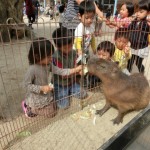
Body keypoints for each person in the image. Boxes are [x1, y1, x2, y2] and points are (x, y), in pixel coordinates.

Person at [52, 27, 87, 109]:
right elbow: (63, 75)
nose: (68, 49)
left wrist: (80, 71)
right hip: (61, 84)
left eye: (70, 46)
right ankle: (57, 91)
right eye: (65, 48)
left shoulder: (74, 52)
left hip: (72, 82)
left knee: (83, 94)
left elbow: (76, 64)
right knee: (63, 106)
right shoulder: (56, 57)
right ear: (57, 46)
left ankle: (69, 91)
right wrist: (76, 70)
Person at [22, 37, 56, 118]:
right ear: (37, 56)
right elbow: (26, 85)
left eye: (51, 55)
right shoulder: (32, 69)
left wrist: (72, 70)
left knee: (56, 103)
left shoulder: (47, 64)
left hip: (46, 94)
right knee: (51, 113)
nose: (51, 59)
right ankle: (29, 108)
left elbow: (57, 70)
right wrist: (41, 88)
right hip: (37, 97)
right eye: (48, 56)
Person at [127, 0, 150, 73]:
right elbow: (129, 28)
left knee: (138, 63)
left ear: (148, 13)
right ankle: (127, 76)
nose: (138, 14)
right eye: (137, 11)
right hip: (133, 46)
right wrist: (132, 20)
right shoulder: (134, 22)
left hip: (141, 48)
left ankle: (141, 73)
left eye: (141, 12)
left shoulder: (146, 23)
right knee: (129, 62)